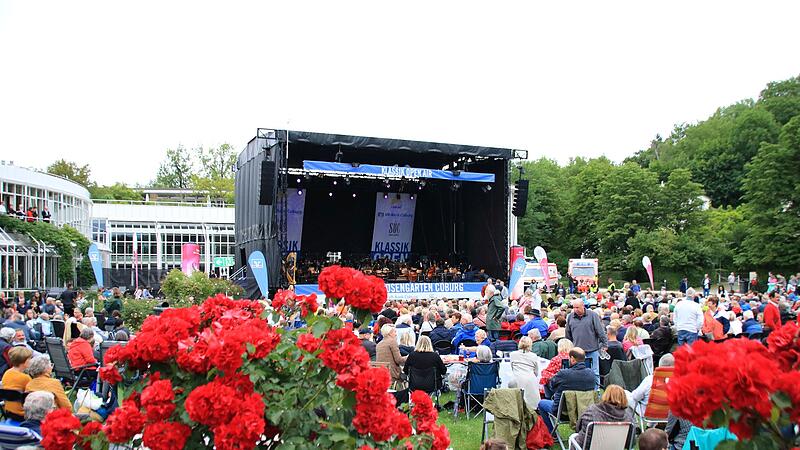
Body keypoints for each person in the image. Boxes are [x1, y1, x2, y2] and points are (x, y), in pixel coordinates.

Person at [537, 347, 595, 432]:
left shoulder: (564, 374)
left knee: (541, 403)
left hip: (563, 412)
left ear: (572, 359)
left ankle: (552, 432)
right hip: (584, 410)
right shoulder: (591, 374)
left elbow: (551, 385)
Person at [565, 299, 607, 388]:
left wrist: (604, 344)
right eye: (574, 308)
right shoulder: (570, 317)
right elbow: (568, 333)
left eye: (577, 307)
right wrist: (569, 346)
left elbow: (600, 331)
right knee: (577, 372)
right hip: (577, 351)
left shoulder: (593, 315)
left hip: (592, 349)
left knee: (594, 372)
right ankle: (581, 390)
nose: (575, 309)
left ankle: (596, 391)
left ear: (583, 306)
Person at [508, 336, 540, 409]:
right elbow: (536, 371)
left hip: (517, 378)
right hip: (530, 379)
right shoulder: (534, 356)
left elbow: (512, 367)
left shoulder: (513, 354)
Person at [1, 347, 33, 418]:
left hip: (9, 411)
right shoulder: (25, 378)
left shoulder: (7, 373)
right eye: (29, 359)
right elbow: (33, 395)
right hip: (23, 414)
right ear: (24, 361)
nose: (31, 361)